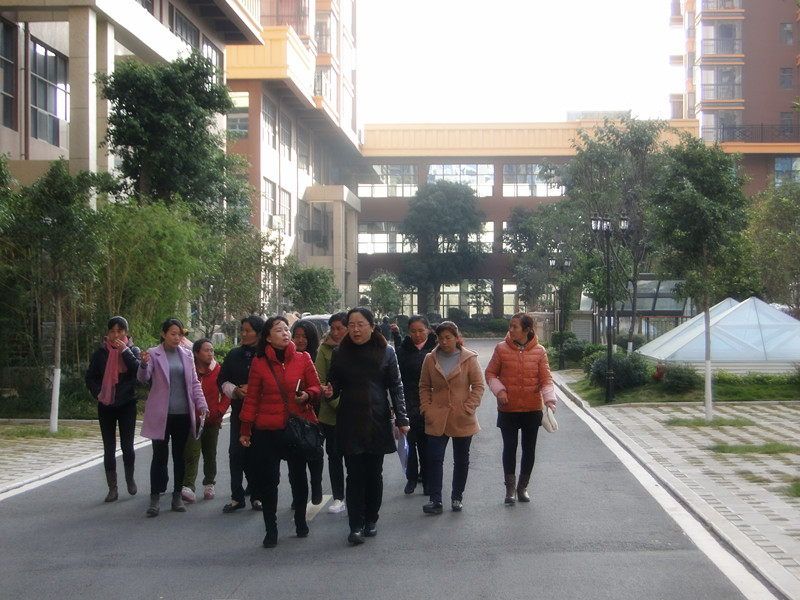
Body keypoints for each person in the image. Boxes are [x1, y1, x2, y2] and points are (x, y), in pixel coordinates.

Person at [324, 307, 409, 545]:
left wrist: (402, 419)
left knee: (374, 473)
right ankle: (355, 525)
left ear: (372, 327)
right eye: (351, 325)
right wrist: (330, 392)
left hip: (377, 418)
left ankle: (371, 519)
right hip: (350, 420)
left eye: (360, 324)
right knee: (354, 474)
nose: (355, 330)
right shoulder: (340, 353)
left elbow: (396, 386)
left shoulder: (386, 351)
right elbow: (334, 385)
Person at [239, 316, 322, 548]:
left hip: (296, 428)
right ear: (267, 337)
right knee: (269, 481)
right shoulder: (259, 363)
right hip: (268, 430)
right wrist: (245, 429)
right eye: (279, 330)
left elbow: (316, 386)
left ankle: (300, 521)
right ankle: (271, 529)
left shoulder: (303, 358)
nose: (285, 333)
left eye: (287, 329)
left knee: (298, 478)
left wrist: (308, 395)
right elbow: (252, 398)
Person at [138, 318, 209, 517]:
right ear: (164, 334)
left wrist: (202, 404)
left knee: (179, 456)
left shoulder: (186, 354)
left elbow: (194, 383)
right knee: (159, 456)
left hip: (182, 413)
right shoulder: (153, 353)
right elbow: (143, 378)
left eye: (179, 334)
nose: (177, 338)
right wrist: (143, 365)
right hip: (161, 414)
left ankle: (177, 495)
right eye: (173, 334)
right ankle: (154, 498)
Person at [484, 312, 557, 505]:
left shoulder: (539, 351)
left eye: (515, 326)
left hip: (532, 408)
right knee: (509, 448)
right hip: (508, 408)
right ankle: (510, 488)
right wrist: (500, 391)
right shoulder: (501, 349)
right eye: (510, 326)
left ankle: (522, 487)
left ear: (527, 329)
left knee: (529, 449)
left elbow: (546, 379)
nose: (511, 330)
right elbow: (490, 373)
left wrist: (549, 401)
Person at [418, 321, 483, 514]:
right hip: (436, 416)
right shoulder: (430, 358)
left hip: (462, 416)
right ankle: (435, 499)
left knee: (461, 459)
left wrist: (468, 407)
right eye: (441, 338)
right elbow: (424, 386)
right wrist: (426, 408)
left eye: (448, 337)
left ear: (456, 337)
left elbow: (478, 386)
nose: (444, 342)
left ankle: (457, 497)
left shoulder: (469, 358)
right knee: (434, 458)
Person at [85, 316, 142, 502]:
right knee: (109, 447)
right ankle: (112, 487)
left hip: (127, 403)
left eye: (119, 331)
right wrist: (99, 393)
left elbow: (137, 371)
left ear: (126, 332)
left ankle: (129, 479)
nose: (115, 335)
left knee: (127, 445)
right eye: (112, 331)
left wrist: (124, 350)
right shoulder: (101, 353)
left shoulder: (133, 350)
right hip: (106, 405)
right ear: (108, 333)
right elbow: (90, 377)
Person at [217, 315, 265, 513]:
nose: (244, 334)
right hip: (239, 412)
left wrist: (255, 391)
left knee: (257, 454)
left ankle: (257, 496)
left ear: (259, 333)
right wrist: (236, 391)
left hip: (262, 414)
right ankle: (237, 496)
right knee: (236, 453)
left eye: (248, 331)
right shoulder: (234, 355)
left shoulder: (266, 355)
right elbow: (221, 380)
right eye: (242, 330)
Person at [391, 315, 437, 495]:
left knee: (426, 446)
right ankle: (411, 478)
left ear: (428, 330)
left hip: (429, 404)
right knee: (409, 444)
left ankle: (427, 480)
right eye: (413, 331)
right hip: (407, 404)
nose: (417, 335)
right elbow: (395, 381)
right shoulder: (402, 352)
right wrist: (395, 406)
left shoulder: (435, 349)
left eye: (421, 330)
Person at [181, 339, 229, 503]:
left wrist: (219, 412)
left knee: (210, 454)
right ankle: (188, 486)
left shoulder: (218, 371)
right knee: (191, 453)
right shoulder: (189, 370)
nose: (210, 354)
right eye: (206, 351)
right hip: (193, 421)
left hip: (212, 420)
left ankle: (209, 483)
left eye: (212, 351)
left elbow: (226, 393)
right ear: (196, 353)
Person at [314, 312, 348, 514]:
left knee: (354, 458)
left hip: (354, 412)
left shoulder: (358, 349)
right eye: (332, 328)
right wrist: (334, 400)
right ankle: (338, 497)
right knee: (334, 456)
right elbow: (319, 380)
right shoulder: (325, 349)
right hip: (330, 413)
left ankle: (357, 495)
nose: (334, 333)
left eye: (339, 328)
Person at [291, 320, 324, 505]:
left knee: (314, 452)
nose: (300, 340)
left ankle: (316, 485)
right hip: (295, 414)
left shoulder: (317, 358)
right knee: (295, 458)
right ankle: (299, 496)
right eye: (297, 336)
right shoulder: (289, 358)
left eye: (304, 336)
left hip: (315, 412)